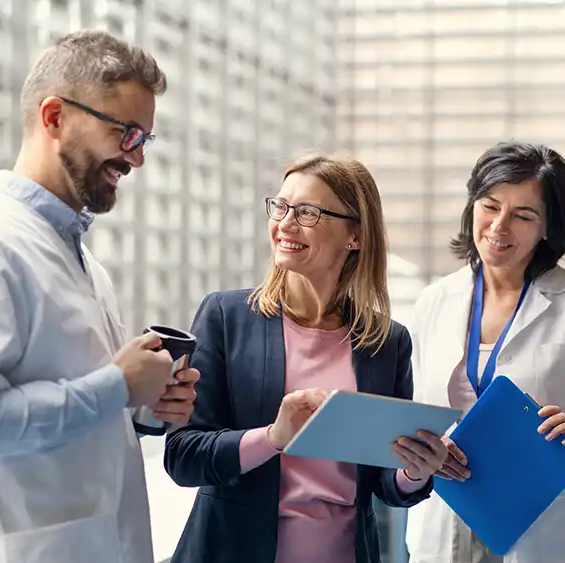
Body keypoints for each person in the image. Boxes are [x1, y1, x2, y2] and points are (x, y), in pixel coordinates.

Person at [0, 30, 200, 563]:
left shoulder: (88, 266)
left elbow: (77, 407)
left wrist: (142, 406)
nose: (136, 160)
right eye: (125, 133)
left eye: (144, 140)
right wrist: (115, 386)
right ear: (54, 117)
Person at [162, 154, 448, 563]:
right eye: (281, 207)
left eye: (308, 212)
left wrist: (415, 469)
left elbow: (384, 482)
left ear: (356, 237)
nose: (285, 224)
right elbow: (183, 456)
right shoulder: (226, 317)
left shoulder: (387, 342)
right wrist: (274, 437)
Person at [404, 142, 565, 563]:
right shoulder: (434, 301)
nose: (500, 226)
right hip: (447, 522)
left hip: (549, 526)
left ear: (549, 227)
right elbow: (410, 411)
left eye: (523, 215)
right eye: (490, 205)